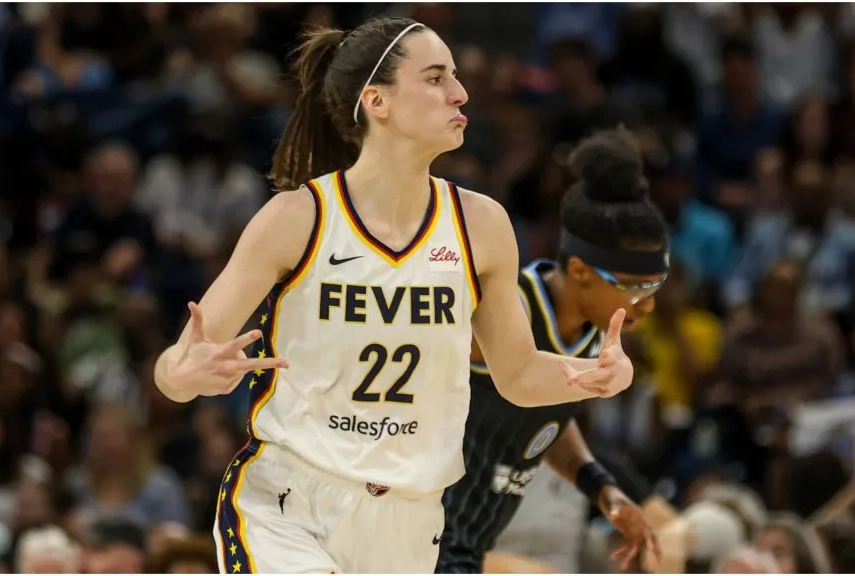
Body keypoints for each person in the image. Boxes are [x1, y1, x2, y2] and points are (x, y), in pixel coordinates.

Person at [153, 16, 635, 574]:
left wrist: (590, 376)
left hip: (411, 517)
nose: (460, 92)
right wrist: (182, 376)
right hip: (290, 503)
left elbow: (520, 375)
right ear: (377, 101)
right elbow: (178, 361)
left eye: (454, 76)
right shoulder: (298, 218)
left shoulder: (482, 225)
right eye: (435, 78)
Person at [438, 129, 667, 573]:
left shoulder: (597, 333)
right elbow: (523, 375)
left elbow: (547, 414)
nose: (651, 303)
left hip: (468, 544)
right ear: (581, 270)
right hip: (419, 536)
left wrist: (601, 487)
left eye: (656, 285)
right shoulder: (507, 309)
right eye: (636, 287)